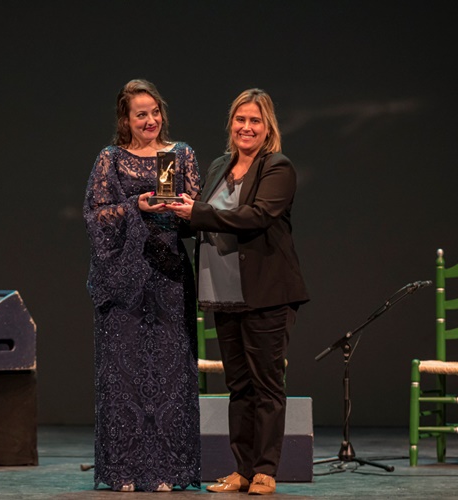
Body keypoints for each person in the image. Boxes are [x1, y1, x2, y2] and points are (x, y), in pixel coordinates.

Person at [167, 88, 309, 495]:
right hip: (223, 293)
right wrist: (170, 211)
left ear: (268, 129)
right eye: (240, 119)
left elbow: (256, 216)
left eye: (255, 121)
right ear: (230, 124)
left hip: (266, 294)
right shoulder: (217, 167)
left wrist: (195, 211)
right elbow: (202, 218)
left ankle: (266, 470)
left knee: (266, 385)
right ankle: (242, 469)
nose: (246, 127)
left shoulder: (277, 167)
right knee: (239, 387)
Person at [83, 79, 202, 492]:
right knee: (123, 375)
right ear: (126, 119)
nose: (150, 120)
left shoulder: (180, 154)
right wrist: (135, 205)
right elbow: (95, 215)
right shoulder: (110, 159)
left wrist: (184, 209)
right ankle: (124, 471)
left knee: (171, 374)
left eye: (155, 111)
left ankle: (169, 470)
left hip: (169, 273)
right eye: (141, 114)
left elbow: (199, 214)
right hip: (123, 280)